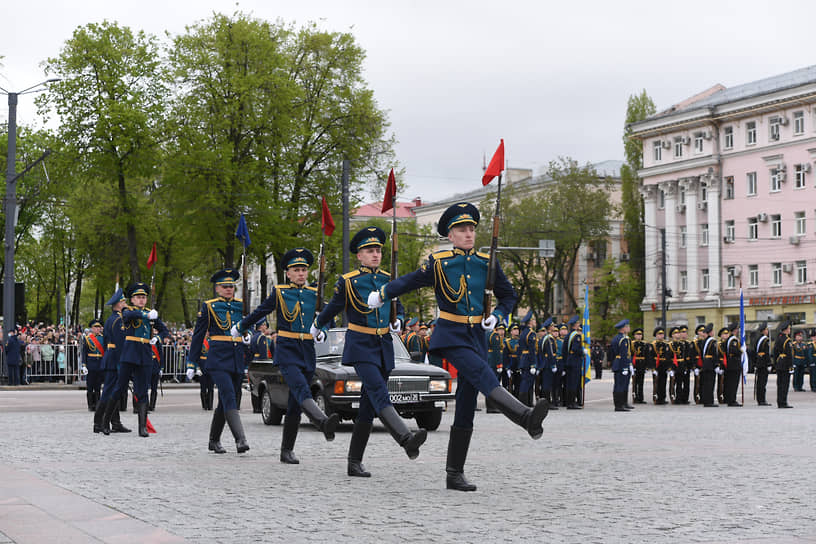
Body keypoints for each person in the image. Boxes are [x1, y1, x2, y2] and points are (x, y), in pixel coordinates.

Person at [367, 203, 547, 492]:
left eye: (472, 228)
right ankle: (524, 417)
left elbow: (509, 296)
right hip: (451, 334)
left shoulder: (486, 262)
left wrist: (497, 316)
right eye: (462, 229)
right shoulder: (439, 263)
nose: (468, 233)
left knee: (465, 403)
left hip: (476, 335)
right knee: (483, 373)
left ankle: (454, 473)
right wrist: (383, 293)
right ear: (450, 235)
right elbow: (410, 281)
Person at [314, 226, 419, 478]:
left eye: (378, 251)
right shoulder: (348, 281)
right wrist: (319, 324)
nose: (375, 255)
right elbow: (333, 308)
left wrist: (400, 321)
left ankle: (354, 462)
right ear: (359, 255)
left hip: (383, 347)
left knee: (367, 407)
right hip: (360, 346)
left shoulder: (387, 279)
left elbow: (399, 307)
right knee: (380, 393)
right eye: (370, 251)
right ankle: (405, 438)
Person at [236, 248, 339, 464]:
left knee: (295, 403)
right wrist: (242, 326)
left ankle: (286, 450)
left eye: (304, 270)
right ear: (288, 273)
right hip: (287, 349)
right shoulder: (280, 292)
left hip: (307, 351)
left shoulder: (314, 293)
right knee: (301, 388)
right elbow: (261, 311)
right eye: (296, 270)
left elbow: (329, 318)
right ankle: (322, 421)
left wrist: (324, 332)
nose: (301, 274)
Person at [188, 269, 250, 453]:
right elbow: (198, 337)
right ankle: (241, 439)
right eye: (225, 286)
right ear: (217, 288)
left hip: (237, 358)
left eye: (231, 286)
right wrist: (192, 362)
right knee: (229, 395)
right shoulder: (210, 306)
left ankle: (213, 440)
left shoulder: (242, 305)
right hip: (218, 359)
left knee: (227, 400)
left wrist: (248, 335)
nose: (229, 289)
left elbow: (250, 325)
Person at [115, 282, 171, 437]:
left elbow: (165, 330)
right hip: (130, 352)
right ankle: (105, 419)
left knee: (142, 390)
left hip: (145, 353)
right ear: (132, 299)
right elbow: (127, 316)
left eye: (143, 297)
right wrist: (146, 315)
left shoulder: (150, 314)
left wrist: (158, 338)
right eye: (138, 297)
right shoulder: (129, 310)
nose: (141, 300)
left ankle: (142, 427)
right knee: (119, 387)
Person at [96, 289, 131, 435]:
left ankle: (115, 422)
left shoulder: (113, 319)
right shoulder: (118, 320)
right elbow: (120, 342)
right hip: (115, 358)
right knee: (109, 391)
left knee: (115, 391)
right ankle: (98, 422)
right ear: (118, 304)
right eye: (123, 302)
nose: (125, 304)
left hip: (112, 356)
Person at [609, 319, 633, 412]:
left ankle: (623, 403)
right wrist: (625, 366)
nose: (629, 328)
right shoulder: (622, 339)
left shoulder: (619, 338)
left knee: (623, 384)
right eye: (628, 326)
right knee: (620, 385)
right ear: (623, 328)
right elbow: (623, 354)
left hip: (620, 363)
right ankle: (619, 405)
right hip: (621, 364)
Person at [81, 319, 105, 411]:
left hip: (100, 363)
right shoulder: (87, 339)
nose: (97, 329)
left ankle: (98, 404)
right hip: (91, 363)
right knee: (90, 386)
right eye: (95, 327)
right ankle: (91, 405)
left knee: (98, 386)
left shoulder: (103, 338)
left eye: (99, 327)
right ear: (92, 328)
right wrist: (84, 365)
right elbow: (84, 353)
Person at [562, 315, 584, 409]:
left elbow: (564, 350)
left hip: (569, 361)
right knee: (574, 383)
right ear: (576, 325)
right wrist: (582, 352)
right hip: (575, 362)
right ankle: (571, 403)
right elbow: (575, 349)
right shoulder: (576, 336)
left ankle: (569, 402)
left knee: (570, 382)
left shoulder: (568, 335)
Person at [186, 337, 214, 410]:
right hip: (202, 365)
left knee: (211, 387)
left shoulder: (213, 340)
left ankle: (210, 405)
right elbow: (196, 355)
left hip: (211, 365)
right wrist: (197, 368)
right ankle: (204, 405)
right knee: (203, 386)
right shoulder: (200, 341)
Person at [537, 318, 558, 410]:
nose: (554, 327)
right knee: (547, 384)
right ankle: (547, 403)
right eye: (553, 326)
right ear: (550, 328)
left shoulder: (544, 338)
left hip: (544, 363)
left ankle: (544, 403)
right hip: (548, 364)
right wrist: (553, 365)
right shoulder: (549, 339)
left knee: (545, 383)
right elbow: (550, 353)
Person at [517, 312, 538, 407]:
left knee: (527, 381)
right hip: (529, 360)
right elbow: (532, 350)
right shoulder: (531, 333)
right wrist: (533, 364)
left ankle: (528, 402)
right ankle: (524, 402)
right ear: (530, 322)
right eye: (534, 320)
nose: (535, 322)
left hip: (524, 359)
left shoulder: (523, 333)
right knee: (526, 382)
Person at [486, 323, 505, 413]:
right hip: (493, 361)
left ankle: (489, 405)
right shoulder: (495, 335)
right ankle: (492, 406)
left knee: (489, 383)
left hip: (488, 360)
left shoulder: (486, 333)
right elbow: (496, 351)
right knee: (493, 384)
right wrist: (499, 365)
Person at [774, 321, 793, 408]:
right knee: (785, 384)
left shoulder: (778, 338)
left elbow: (775, 352)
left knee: (780, 383)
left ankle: (779, 401)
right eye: (789, 328)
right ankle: (783, 402)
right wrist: (791, 366)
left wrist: (775, 364)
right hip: (785, 363)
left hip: (779, 362)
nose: (790, 330)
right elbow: (789, 354)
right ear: (786, 330)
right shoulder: (787, 340)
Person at [753, 322, 773, 406]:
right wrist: (769, 364)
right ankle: (762, 400)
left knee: (759, 382)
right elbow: (766, 353)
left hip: (758, 362)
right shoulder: (766, 340)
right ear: (764, 331)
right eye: (766, 329)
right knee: (762, 382)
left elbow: (755, 352)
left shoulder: (758, 339)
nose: (767, 331)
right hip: (764, 363)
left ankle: (760, 399)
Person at [723, 322, 742, 406]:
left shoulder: (728, 339)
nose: (738, 330)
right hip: (734, 363)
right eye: (737, 329)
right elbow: (733, 350)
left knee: (729, 382)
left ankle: (728, 398)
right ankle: (732, 400)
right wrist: (741, 351)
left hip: (730, 363)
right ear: (735, 330)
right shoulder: (733, 340)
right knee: (733, 383)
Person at [650, 327, 670, 405]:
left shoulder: (666, 344)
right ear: (656, 335)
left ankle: (662, 398)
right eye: (659, 334)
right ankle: (656, 397)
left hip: (663, 365)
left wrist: (669, 366)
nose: (661, 336)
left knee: (663, 382)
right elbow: (650, 357)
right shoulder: (653, 345)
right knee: (656, 382)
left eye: (662, 334)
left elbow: (668, 356)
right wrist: (652, 368)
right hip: (656, 365)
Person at [699, 324, 718, 407]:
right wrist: (716, 365)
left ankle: (705, 400)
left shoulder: (704, 341)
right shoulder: (713, 342)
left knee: (706, 383)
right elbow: (715, 354)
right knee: (710, 383)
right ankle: (709, 401)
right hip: (710, 364)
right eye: (712, 331)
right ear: (710, 332)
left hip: (705, 363)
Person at [630, 328, 647, 404]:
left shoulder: (644, 344)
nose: (639, 336)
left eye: (640, 334)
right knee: (635, 382)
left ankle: (641, 398)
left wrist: (646, 366)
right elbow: (630, 355)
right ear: (634, 335)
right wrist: (631, 365)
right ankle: (635, 397)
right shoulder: (632, 343)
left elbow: (646, 355)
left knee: (641, 382)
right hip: (635, 364)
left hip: (642, 364)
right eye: (637, 334)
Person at [504, 323, 520, 396]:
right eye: (514, 329)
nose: (517, 331)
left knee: (518, 385)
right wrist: (507, 368)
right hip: (511, 364)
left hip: (519, 365)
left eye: (517, 329)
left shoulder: (521, 341)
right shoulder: (507, 342)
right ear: (511, 332)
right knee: (509, 386)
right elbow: (505, 356)